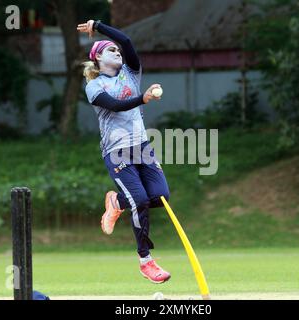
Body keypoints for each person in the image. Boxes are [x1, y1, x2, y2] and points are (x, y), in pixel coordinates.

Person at [77, 19, 171, 284]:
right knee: (139, 201)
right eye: (110, 51)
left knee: (161, 196)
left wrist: (98, 26)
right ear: (97, 60)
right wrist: (143, 99)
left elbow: (127, 42)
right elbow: (116, 106)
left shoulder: (131, 72)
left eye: (117, 51)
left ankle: (117, 202)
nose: (117, 53)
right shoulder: (94, 87)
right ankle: (146, 261)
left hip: (142, 148)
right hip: (117, 152)